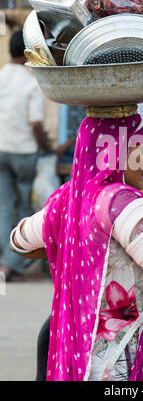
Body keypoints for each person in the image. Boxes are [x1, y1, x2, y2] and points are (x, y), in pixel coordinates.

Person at [9, 106, 143, 381]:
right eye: (142, 151)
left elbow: (19, 242)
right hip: (125, 357)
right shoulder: (124, 204)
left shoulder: (68, 199)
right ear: (115, 151)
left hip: (80, 350)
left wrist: (71, 244)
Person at [0, 30, 50, 282]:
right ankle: (10, 265)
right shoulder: (32, 83)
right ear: (28, 51)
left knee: (3, 205)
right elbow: (36, 124)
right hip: (24, 152)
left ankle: (5, 263)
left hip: (1, 149)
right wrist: (47, 146)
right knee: (24, 208)